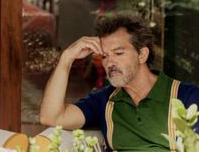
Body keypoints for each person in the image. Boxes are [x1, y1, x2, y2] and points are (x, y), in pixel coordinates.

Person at [40, 13, 199, 151]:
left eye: (118, 53)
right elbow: (51, 117)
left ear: (142, 55)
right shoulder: (104, 101)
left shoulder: (187, 97)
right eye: (104, 56)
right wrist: (66, 59)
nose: (110, 62)